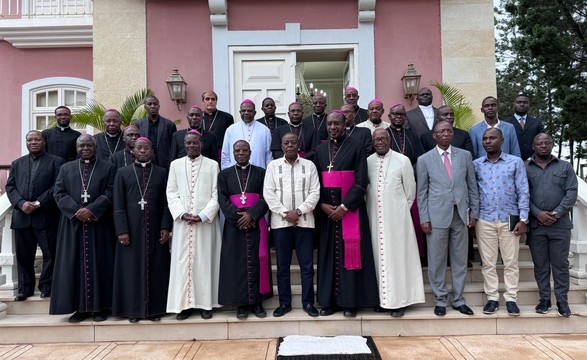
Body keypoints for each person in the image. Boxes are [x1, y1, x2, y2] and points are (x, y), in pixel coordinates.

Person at [314, 110, 379, 317]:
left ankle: (350, 302)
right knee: (328, 257)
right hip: (327, 213)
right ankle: (329, 302)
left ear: (345, 125)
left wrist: (344, 207)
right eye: (330, 124)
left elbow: (361, 181)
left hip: (350, 211)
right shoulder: (321, 150)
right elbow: (315, 183)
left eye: (337, 124)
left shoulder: (356, 146)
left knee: (351, 255)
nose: (333, 127)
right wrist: (323, 204)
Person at [50, 134, 117, 323]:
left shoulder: (108, 168)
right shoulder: (66, 168)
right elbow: (59, 192)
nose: (85, 148)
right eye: (81, 146)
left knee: (100, 264)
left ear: (95, 148)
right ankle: (79, 309)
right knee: (74, 266)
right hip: (73, 225)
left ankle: (101, 308)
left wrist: (92, 210)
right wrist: (77, 211)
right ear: (76, 148)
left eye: (89, 145)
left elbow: (110, 192)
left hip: (99, 225)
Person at [417, 121, 479, 316]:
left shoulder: (465, 156)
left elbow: (472, 186)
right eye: (441, 131)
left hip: (460, 215)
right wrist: (424, 218)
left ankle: (459, 300)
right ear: (434, 135)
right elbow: (422, 192)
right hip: (436, 217)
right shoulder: (424, 159)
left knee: (460, 260)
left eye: (449, 131)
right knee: (436, 261)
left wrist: (474, 213)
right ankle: (440, 300)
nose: (446, 134)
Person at [112, 137, 172, 323]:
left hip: (155, 230)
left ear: (152, 152)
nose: (143, 151)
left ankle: (155, 310)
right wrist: (122, 230)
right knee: (131, 270)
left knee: (157, 269)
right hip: (131, 231)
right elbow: (118, 204)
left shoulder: (161, 173)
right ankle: (133, 310)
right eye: (139, 148)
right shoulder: (122, 173)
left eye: (147, 148)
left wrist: (165, 227)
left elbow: (166, 203)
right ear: (133, 151)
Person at [366, 129, 425, 317]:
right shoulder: (368, 162)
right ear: (373, 142)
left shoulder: (403, 160)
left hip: (398, 220)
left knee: (398, 259)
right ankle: (382, 300)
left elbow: (410, 193)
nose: (380, 142)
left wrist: (398, 213)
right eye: (377, 140)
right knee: (377, 258)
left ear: (389, 139)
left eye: (383, 139)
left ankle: (400, 301)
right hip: (374, 218)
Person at [166, 131, 222, 320]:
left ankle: (206, 304)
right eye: (188, 143)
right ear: (184, 144)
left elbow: (217, 194)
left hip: (205, 223)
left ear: (201, 144)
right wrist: (182, 213)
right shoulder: (175, 165)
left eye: (195, 143)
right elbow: (171, 193)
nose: (191, 146)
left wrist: (203, 215)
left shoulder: (213, 165)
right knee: (183, 263)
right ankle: (184, 305)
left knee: (205, 263)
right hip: (183, 223)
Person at [473, 128, 529, 316]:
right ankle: (492, 298)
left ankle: (511, 298)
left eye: (492, 138)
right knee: (488, 263)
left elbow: (523, 191)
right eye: (485, 138)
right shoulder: (476, 165)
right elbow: (473, 193)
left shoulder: (515, 163)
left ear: (502, 140)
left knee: (511, 262)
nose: (488, 141)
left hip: (509, 219)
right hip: (485, 219)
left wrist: (523, 219)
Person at [264, 133, 321, 318]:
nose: (290, 145)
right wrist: (284, 213)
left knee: (306, 266)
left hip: (305, 223)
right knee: (282, 267)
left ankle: (308, 303)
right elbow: (268, 193)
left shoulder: (309, 166)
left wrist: (298, 212)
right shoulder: (273, 166)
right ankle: (284, 303)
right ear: (281, 146)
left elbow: (315, 192)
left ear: (299, 145)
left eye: (293, 142)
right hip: (281, 225)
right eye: (286, 142)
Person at [6, 131, 64, 301]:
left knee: (50, 254)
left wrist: (38, 203)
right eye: (29, 140)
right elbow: (10, 187)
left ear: (44, 142)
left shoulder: (56, 162)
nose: (33, 142)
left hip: (46, 216)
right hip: (22, 216)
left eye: (37, 139)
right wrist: (21, 203)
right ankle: (25, 289)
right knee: (24, 256)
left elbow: (57, 186)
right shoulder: (17, 163)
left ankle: (46, 286)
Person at [218, 140, 272, 319]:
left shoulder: (261, 173)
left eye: (244, 150)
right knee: (236, 264)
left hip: (257, 223)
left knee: (257, 261)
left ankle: (257, 302)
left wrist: (252, 215)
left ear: (250, 152)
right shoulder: (224, 175)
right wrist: (239, 217)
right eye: (237, 150)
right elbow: (222, 199)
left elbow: (266, 197)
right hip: (234, 226)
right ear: (233, 153)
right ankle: (241, 304)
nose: (241, 153)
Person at [526, 133, 577, 317]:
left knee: (560, 265)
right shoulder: (526, 167)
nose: (543, 146)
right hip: (536, 226)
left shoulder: (565, 166)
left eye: (547, 143)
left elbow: (571, 192)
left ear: (552, 144)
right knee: (540, 265)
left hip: (560, 225)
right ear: (533, 146)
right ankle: (544, 300)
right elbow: (523, 194)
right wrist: (537, 213)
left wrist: (556, 213)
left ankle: (562, 302)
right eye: (539, 143)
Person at [385, 103, 426, 265]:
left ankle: (414, 255)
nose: (398, 117)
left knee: (412, 219)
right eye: (395, 114)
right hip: (391, 184)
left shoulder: (412, 135)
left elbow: (419, 158)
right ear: (389, 117)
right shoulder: (384, 135)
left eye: (402, 115)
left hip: (410, 183)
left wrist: (409, 171)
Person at [221, 99, 272, 170]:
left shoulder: (264, 130)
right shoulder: (231, 129)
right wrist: (226, 173)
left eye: (249, 111)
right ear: (240, 112)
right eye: (243, 111)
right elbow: (225, 154)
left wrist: (269, 173)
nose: (246, 113)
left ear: (255, 113)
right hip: (235, 172)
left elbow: (268, 155)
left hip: (259, 172)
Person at [134, 95, 177, 169]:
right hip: (145, 160)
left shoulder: (169, 125)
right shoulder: (139, 124)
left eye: (155, 104)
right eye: (149, 104)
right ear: (145, 107)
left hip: (164, 162)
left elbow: (173, 147)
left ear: (159, 106)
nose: (152, 106)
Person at [503, 93, 545, 160]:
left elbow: (543, 141)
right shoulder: (505, 123)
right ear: (514, 104)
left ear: (529, 105)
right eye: (519, 102)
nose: (522, 104)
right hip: (512, 161)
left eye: (525, 102)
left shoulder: (537, 123)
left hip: (534, 161)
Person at [202, 90, 235, 157]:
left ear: (216, 102)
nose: (210, 101)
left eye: (213, 99)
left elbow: (231, 138)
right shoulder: (198, 117)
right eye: (207, 99)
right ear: (203, 102)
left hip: (220, 154)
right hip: (203, 153)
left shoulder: (227, 117)